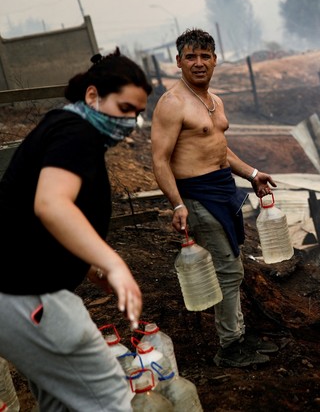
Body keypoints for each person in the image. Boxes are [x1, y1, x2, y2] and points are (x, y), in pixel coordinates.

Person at [0, 49, 151, 410]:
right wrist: (114, 263)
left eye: (139, 114)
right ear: (92, 95)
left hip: (15, 295)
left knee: (61, 404)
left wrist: (89, 265)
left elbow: (31, 222)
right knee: (109, 400)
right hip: (30, 293)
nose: (131, 122)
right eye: (125, 109)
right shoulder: (76, 131)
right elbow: (51, 205)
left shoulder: (66, 127)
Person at [151, 28, 279, 368]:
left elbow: (220, 150)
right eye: (190, 57)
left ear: (214, 60)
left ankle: (236, 331)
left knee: (232, 263)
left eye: (205, 56)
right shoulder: (171, 104)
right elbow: (160, 160)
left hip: (223, 190)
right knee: (229, 269)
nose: (198, 63)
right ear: (178, 61)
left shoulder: (214, 101)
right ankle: (230, 346)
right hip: (196, 196)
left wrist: (252, 175)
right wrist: (177, 204)